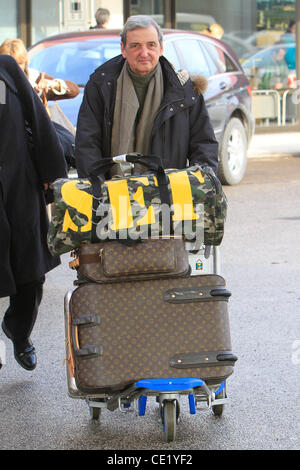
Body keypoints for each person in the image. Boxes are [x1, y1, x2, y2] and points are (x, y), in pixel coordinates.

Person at [75, 15, 218, 179]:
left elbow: (204, 145)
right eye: (135, 46)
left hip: (168, 196)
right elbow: (87, 143)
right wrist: (97, 191)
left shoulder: (184, 91)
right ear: (123, 49)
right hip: (111, 195)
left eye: (151, 45)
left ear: (161, 48)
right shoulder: (100, 86)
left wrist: (196, 185)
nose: (144, 53)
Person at [0, 55, 67, 371]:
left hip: (19, 183)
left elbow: (37, 118)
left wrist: (53, 172)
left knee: (31, 272)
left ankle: (18, 331)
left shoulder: (6, 69)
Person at [0, 38, 79, 101]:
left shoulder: (35, 78)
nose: (14, 68)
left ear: (26, 61)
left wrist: (54, 84)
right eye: (9, 64)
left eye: (19, 64)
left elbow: (74, 90)